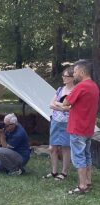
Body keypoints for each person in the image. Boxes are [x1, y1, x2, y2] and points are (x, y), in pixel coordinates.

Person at [63, 60, 99, 194]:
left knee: (79, 157)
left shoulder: (81, 86)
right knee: (86, 155)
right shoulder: (94, 86)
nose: (74, 74)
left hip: (78, 128)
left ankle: (82, 186)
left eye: (76, 71)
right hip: (88, 128)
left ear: (82, 72)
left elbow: (66, 102)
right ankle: (88, 181)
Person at [42, 66, 75, 180]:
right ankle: (54, 171)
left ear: (72, 78)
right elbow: (51, 104)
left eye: (66, 76)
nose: (63, 78)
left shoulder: (75, 91)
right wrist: (63, 107)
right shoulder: (60, 89)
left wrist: (59, 105)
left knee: (66, 147)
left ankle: (64, 172)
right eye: (63, 75)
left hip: (67, 122)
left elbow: (71, 108)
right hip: (55, 121)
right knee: (52, 148)